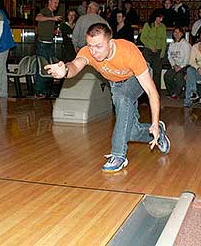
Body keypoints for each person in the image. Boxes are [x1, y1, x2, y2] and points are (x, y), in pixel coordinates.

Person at [44, 23, 171, 172]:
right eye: (90, 46)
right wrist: (65, 70)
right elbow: (75, 66)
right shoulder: (88, 52)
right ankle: (159, 134)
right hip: (116, 84)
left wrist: (155, 122)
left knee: (124, 99)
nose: (93, 51)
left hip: (136, 79)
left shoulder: (128, 51)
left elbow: (151, 91)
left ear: (110, 43)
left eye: (98, 46)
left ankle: (118, 155)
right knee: (130, 131)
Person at [34, 0, 62, 99]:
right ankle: (38, 91)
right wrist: (52, 18)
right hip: (43, 44)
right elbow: (38, 18)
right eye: (55, 3)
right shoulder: (45, 11)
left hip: (48, 43)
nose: (56, 5)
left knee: (48, 68)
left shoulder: (51, 13)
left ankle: (44, 91)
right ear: (49, 2)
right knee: (42, 68)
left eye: (57, 3)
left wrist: (53, 31)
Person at [140, 9, 167, 93]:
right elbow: (142, 38)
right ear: (155, 17)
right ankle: (144, 90)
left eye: (162, 18)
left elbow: (164, 40)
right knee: (145, 71)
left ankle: (156, 92)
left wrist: (162, 52)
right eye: (159, 18)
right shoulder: (148, 25)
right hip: (148, 50)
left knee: (157, 72)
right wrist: (150, 46)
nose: (160, 20)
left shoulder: (163, 27)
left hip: (158, 52)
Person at [164, 27, 191, 98]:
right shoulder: (172, 44)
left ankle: (177, 93)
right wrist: (173, 65)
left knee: (179, 76)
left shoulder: (186, 44)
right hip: (175, 66)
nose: (177, 34)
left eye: (179, 32)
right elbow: (169, 56)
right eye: (175, 32)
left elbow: (187, 57)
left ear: (182, 34)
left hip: (185, 65)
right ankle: (172, 93)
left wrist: (181, 67)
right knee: (167, 75)